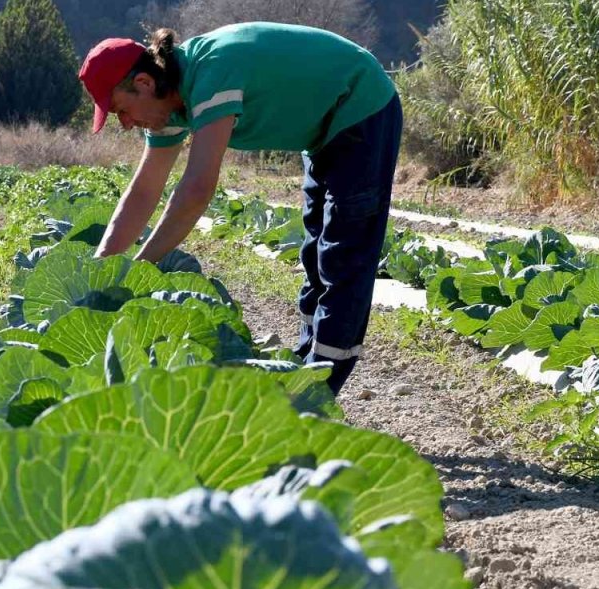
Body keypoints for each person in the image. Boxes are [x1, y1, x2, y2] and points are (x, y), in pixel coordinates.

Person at [78, 21, 402, 395]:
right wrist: (103, 269)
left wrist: (139, 270)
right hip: (322, 130)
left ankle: (320, 389)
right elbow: (144, 191)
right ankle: (304, 369)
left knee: (344, 253)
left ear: (145, 83)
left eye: (121, 110)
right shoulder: (168, 103)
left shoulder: (211, 74)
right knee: (316, 253)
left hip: (360, 106)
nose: (126, 123)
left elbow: (196, 191)